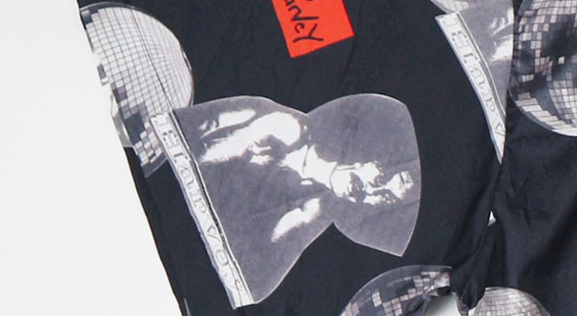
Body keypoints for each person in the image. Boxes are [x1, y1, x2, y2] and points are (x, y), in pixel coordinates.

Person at [175, 92, 420, 303]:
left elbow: (248, 285)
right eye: (383, 178)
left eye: (386, 198)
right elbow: (190, 169)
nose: (373, 191)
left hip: (184, 261)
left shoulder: (315, 210)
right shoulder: (282, 128)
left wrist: (299, 223)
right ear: (372, 155)